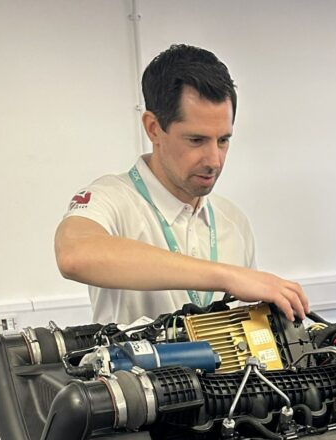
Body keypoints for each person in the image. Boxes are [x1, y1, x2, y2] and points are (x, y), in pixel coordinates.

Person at [55, 44, 308, 325]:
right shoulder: (110, 199)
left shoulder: (233, 221)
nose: (214, 160)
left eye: (223, 140)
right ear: (153, 128)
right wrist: (227, 276)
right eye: (196, 140)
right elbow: (74, 255)